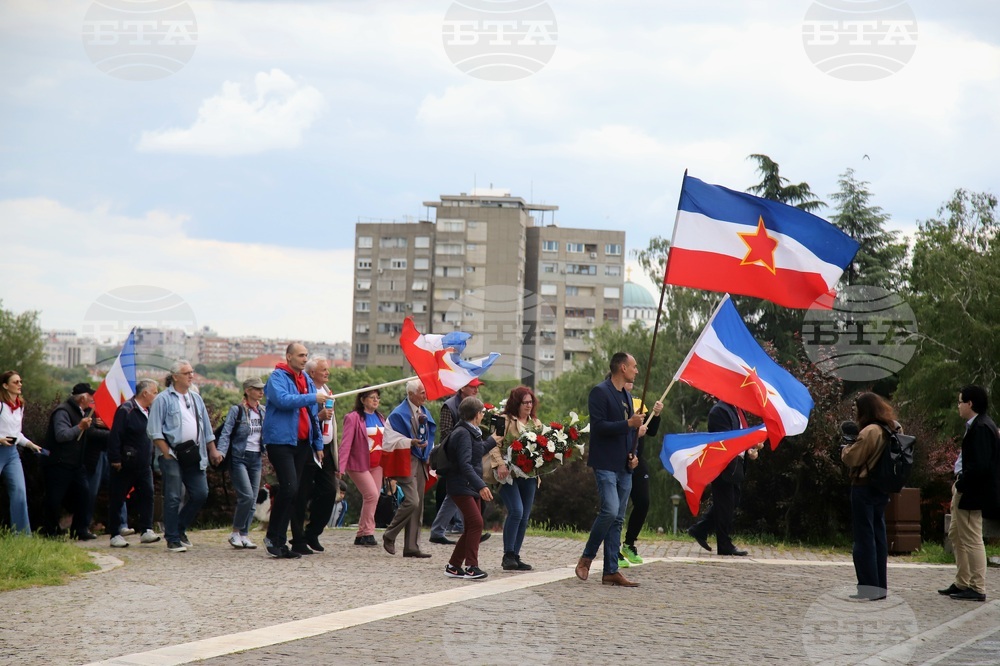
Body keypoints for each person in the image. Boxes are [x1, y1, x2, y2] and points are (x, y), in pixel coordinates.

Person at [576, 352, 644, 587]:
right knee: (610, 511)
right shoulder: (600, 392)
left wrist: (633, 454)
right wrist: (629, 424)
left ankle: (611, 571)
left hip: (624, 464)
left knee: (618, 519)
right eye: (634, 367)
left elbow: (627, 434)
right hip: (605, 463)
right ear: (622, 368)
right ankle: (586, 558)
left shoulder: (627, 394)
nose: (637, 370)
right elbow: (599, 427)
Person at [261, 343, 325, 559]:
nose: (304, 359)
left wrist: (318, 445)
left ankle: (280, 541)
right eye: (300, 355)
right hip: (280, 442)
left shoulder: (305, 379)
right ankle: (273, 538)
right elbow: (282, 400)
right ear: (289, 357)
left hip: (302, 444)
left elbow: (312, 415)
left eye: (306, 355)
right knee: (289, 487)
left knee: (294, 490)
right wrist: (311, 398)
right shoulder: (277, 378)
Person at [939, 385, 1000, 602]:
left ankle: (977, 586)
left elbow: (981, 465)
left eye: (960, 402)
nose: (958, 406)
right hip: (967, 488)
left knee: (972, 537)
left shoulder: (982, 427)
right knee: (956, 533)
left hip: (972, 491)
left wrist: (962, 483)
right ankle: (962, 581)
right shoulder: (978, 425)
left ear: (970, 403)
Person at [147, 360, 216, 553]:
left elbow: (207, 428)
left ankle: (179, 527)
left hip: (194, 454)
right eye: (186, 373)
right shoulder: (162, 399)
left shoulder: (196, 398)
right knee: (173, 496)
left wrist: (212, 449)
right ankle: (173, 538)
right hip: (172, 455)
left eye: (192, 372)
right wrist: (167, 452)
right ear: (175, 376)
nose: (191, 376)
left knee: (201, 493)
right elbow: (153, 430)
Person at [841, 392, 900, 601]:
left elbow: (852, 457)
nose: (855, 412)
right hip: (881, 488)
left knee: (864, 539)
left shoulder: (870, 431)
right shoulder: (893, 427)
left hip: (863, 487)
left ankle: (867, 587)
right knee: (879, 537)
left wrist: (845, 447)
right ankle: (880, 586)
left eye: (857, 408)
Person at [687, 399, 759, 557]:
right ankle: (724, 543)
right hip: (723, 465)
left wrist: (751, 449)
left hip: (736, 464)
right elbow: (727, 440)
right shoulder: (719, 411)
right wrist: (747, 444)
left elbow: (743, 436)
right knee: (725, 504)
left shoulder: (739, 410)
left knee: (731, 502)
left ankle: (700, 529)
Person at [487, 385, 543, 572]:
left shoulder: (536, 423)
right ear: (516, 403)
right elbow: (492, 444)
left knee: (525, 516)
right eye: (524, 402)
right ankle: (508, 554)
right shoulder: (502, 419)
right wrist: (500, 464)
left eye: (530, 402)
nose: (528, 405)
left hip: (529, 475)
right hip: (507, 474)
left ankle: (515, 556)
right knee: (516, 511)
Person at [288, 356, 339, 554]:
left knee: (329, 491)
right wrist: (318, 417)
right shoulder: (307, 391)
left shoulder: (327, 392)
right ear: (312, 373)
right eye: (323, 369)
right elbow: (303, 420)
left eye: (327, 369)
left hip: (325, 449)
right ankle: (298, 537)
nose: (327, 372)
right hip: (308, 449)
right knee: (301, 493)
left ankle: (313, 532)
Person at [381, 379, 436, 558]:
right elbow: (388, 440)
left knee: (417, 505)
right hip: (405, 459)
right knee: (412, 501)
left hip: (420, 460)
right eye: (422, 393)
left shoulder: (424, 411)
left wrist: (428, 450)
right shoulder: (398, 414)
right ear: (411, 394)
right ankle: (390, 534)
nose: (425, 396)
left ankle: (412, 546)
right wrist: (409, 442)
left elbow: (430, 433)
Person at [444, 396, 494, 580]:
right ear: (476, 414)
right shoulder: (463, 433)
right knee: (476, 523)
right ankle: (472, 567)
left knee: (472, 526)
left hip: (468, 485)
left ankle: (454, 566)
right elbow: (465, 465)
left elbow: (477, 451)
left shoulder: (469, 431)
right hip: (462, 485)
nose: (483, 416)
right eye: (482, 412)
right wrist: (481, 486)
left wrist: (494, 439)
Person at [107, 379, 161, 548]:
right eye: (155, 392)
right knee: (118, 497)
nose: (156, 395)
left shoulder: (151, 410)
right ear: (145, 393)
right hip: (126, 463)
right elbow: (116, 435)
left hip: (144, 464)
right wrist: (115, 458)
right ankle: (115, 533)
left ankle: (146, 529)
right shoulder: (126, 410)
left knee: (147, 495)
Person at [42, 383, 99, 540]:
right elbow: (62, 435)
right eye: (90, 397)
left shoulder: (84, 412)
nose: (92, 401)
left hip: (75, 464)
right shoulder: (63, 411)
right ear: (83, 398)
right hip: (59, 463)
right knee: (54, 499)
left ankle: (80, 529)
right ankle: (50, 531)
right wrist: (80, 427)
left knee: (84, 495)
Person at [430, 378, 483, 545]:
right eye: (472, 387)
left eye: (477, 387)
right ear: (462, 388)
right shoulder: (449, 405)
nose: (476, 390)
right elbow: (446, 433)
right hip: (453, 457)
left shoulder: (476, 406)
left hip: (467, 456)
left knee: (455, 495)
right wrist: (465, 443)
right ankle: (468, 527)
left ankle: (452, 528)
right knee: (458, 493)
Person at [215, 378, 267, 550]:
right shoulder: (237, 410)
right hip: (239, 458)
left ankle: (244, 534)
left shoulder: (262, 411)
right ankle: (235, 532)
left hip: (256, 458)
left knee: (252, 500)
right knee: (246, 496)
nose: (261, 392)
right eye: (257, 389)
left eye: (262, 389)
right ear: (247, 390)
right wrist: (221, 452)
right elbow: (226, 433)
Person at [619, 383, 663, 567]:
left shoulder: (638, 401)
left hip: (638, 459)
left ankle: (629, 544)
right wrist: (635, 430)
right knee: (617, 508)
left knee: (643, 501)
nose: (634, 377)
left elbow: (650, 431)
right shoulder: (614, 402)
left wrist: (657, 414)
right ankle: (613, 550)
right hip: (619, 459)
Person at [339, 386, 385, 547]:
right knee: (371, 494)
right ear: (362, 399)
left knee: (373, 497)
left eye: (377, 397)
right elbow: (345, 443)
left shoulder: (380, 417)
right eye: (372, 397)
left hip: (378, 464)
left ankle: (361, 534)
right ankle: (368, 532)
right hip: (359, 463)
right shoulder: (353, 417)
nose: (375, 400)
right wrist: (341, 467)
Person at [0, 371, 44, 534]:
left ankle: (22, 535)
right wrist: (0, 439)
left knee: (19, 492)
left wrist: (31, 444)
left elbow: (17, 433)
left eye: (21, 381)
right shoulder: (0, 405)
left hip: (11, 453)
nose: (20, 385)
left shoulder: (20, 406)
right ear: (5, 386)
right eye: (15, 382)